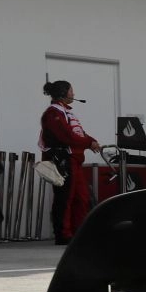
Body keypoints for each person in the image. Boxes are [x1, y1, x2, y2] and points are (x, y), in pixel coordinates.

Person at [39, 80, 102, 245]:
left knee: (81, 197)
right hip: (64, 160)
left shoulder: (65, 112)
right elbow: (67, 136)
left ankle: (78, 232)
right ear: (63, 93)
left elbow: (79, 133)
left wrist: (91, 141)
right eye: (71, 91)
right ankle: (63, 234)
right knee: (65, 198)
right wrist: (89, 143)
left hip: (75, 161)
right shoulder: (53, 113)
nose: (73, 94)